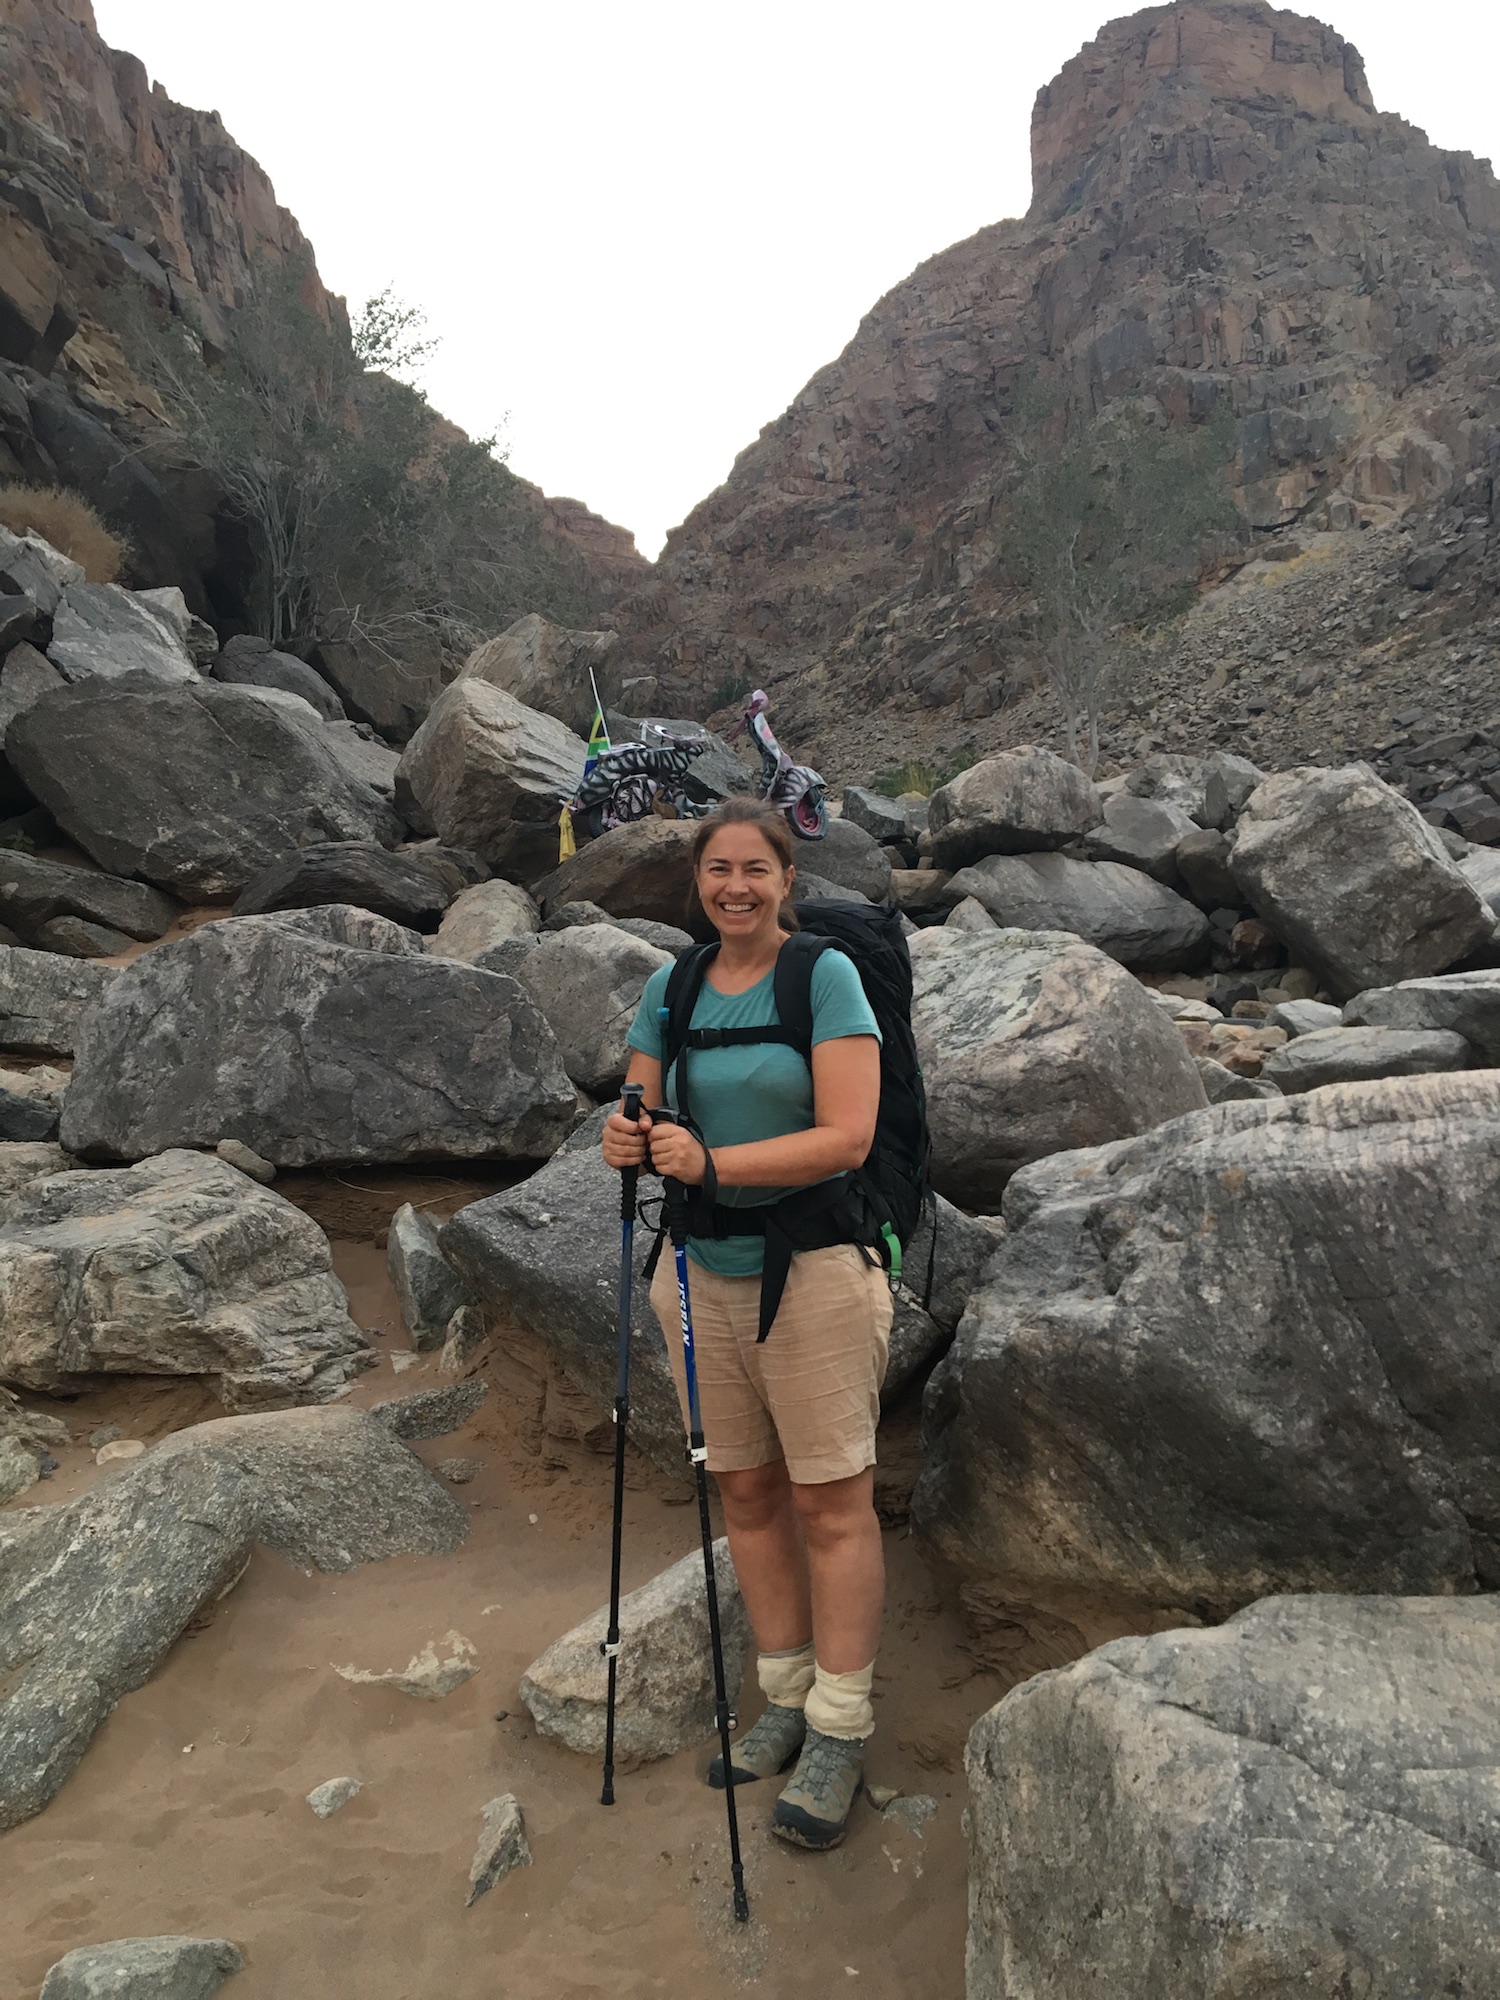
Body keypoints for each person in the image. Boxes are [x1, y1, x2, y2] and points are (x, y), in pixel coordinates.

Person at [601, 797, 892, 1851]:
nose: (736, 886)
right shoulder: (668, 986)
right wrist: (626, 1138)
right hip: (695, 1276)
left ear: (785, 879)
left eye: (756, 869)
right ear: (698, 882)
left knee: (831, 1502)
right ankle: (783, 1693)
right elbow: (639, 1108)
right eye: (719, 869)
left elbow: (849, 1136)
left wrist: (716, 1166)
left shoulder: (823, 976)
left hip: (810, 1270)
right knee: (750, 1491)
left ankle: (842, 1724)